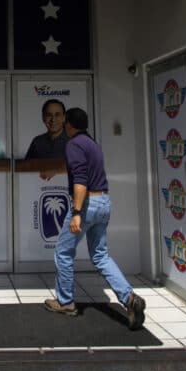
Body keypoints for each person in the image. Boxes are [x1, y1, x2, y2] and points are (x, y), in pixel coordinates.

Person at [44, 107, 146, 331]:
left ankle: (66, 302)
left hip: (87, 205)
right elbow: (80, 168)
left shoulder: (72, 144)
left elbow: (80, 179)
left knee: (63, 252)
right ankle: (129, 298)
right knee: (100, 256)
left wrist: (77, 213)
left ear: (68, 124)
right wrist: (56, 170)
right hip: (104, 203)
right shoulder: (92, 144)